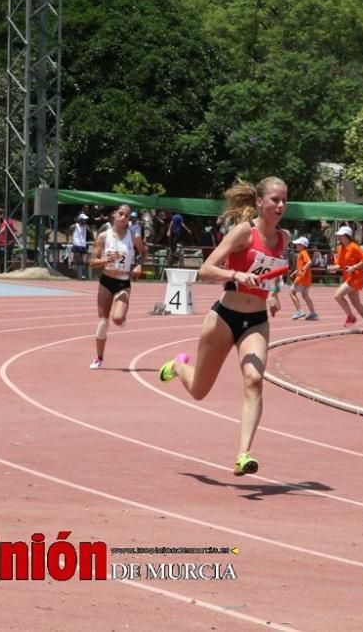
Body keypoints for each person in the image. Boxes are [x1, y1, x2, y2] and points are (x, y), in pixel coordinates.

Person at [158, 177, 288, 476]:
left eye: (284, 200)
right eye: (274, 200)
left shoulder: (284, 238)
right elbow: (205, 270)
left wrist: (274, 294)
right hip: (224, 317)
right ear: (259, 202)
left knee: (254, 379)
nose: (280, 205)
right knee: (200, 391)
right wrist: (237, 276)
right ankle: (178, 367)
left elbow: (271, 272)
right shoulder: (244, 232)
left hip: (256, 322)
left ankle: (243, 454)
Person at [89, 204, 146, 369]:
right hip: (106, 281)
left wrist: (139, 265)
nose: (123, 217)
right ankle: (99, 358)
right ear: (114, 215)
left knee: (117, 319)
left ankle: (122, 316)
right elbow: (92, 262)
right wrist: (106, 260)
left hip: (123, 282)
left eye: (127, 216)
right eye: (121, 214)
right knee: (102, 324)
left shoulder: (133, 236)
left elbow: (143, 252)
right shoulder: (103, 236)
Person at [328, 225, 363, 332]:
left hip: (356, 277)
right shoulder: (340, 248)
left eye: (341, 236)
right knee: (356, 303)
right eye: (339, 236)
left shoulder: (354, 247)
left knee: (337, 295)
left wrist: (353, 267)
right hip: (348, 278)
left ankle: (351, 317)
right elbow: (339, 264)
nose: (339, 237)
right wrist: (333, 268)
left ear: (347, 236)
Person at [288, 236, 318, 320]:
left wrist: (304, 269)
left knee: (291, 292)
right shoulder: (303, 253)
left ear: (302, 245)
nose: (296, 245)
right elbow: (301, 266)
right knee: (305, 296)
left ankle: (299, 311)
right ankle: (313, 313)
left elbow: (309, 262)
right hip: (306, 278)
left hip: (301, 278)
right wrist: (295, 272)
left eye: (298, 244)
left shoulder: (303, 253)